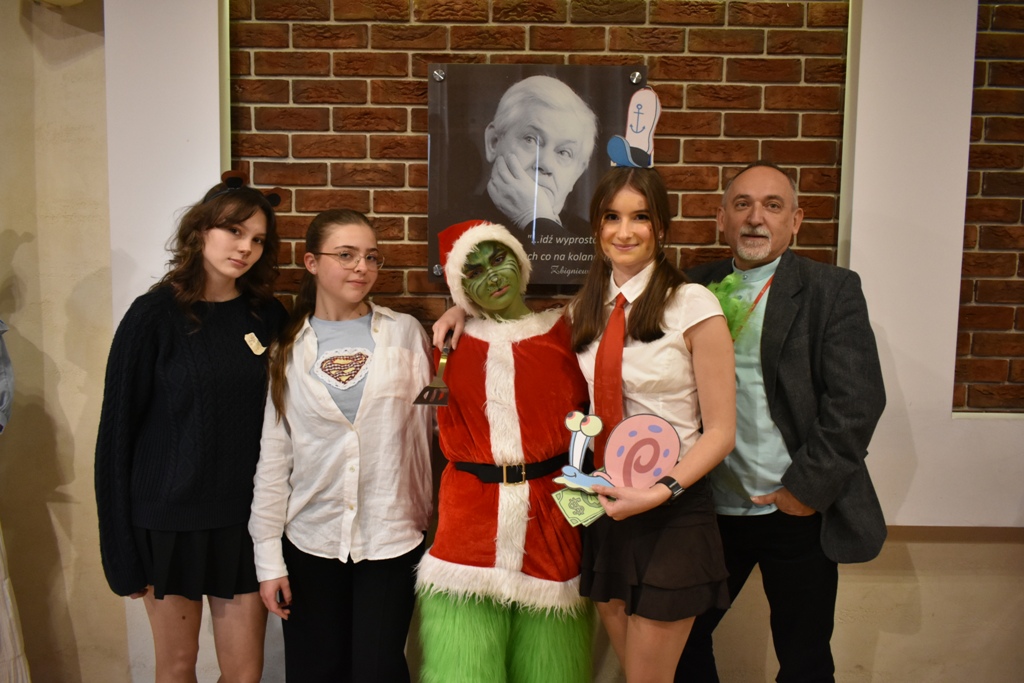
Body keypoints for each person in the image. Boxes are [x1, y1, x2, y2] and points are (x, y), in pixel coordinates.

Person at [675, 161, 887, 683]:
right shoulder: (690, 287)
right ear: (721, 218)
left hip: (793, 509)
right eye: (742, 204)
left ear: (795, 221)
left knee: (804, 659)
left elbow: (857, 402)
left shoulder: (830, 289)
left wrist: (804, 491)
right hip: (708, 509)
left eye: (773, 206)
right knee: (680, 642)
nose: (756, 218)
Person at [94, 173, 285, 683]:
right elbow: (115, 438)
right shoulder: (152, 316)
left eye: (257, 239)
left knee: (244, 674)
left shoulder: (266, 315)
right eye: (234, 231)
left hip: (242, 521)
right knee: (177, 667)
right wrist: (119, 553)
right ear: (201, 231)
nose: (244, 248)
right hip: (166, 522)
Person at [248, 209, 433, 682]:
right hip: (312, 538)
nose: (361, 268)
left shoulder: (404, 334)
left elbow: (434, 428)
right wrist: (268, 560)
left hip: (391, 537)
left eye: (371, 257)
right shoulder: (286, 349)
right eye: (346, 255)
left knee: (378, 669)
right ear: (311, 262)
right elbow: (275, 458)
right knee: (316, 670)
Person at [569, 166, 736, 683]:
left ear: (661, 226)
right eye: (612, 217)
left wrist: (661, 492)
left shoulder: (692, 304)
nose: (625, 232)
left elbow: (721, 432)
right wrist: (459, 313)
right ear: (596, 226)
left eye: (640, 217)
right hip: (606, 505)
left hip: (671, 510)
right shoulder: (584, 309)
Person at [415, 220, 593, 683]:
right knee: (463, 659)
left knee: (551, 659)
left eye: (499, 259)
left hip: (552, 513)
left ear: (520, 260)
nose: (492, 276)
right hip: (469, 517)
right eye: (473, 271)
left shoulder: (568, 331)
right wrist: (458, 310)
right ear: (460, 287)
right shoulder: (446, 345)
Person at [446, 75, 598, 243]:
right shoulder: (445, 231)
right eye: (530, 140)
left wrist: (538, 220)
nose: (546, 164)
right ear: (493, 142)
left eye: (564, 152)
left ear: (577, 173)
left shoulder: (594, 243)